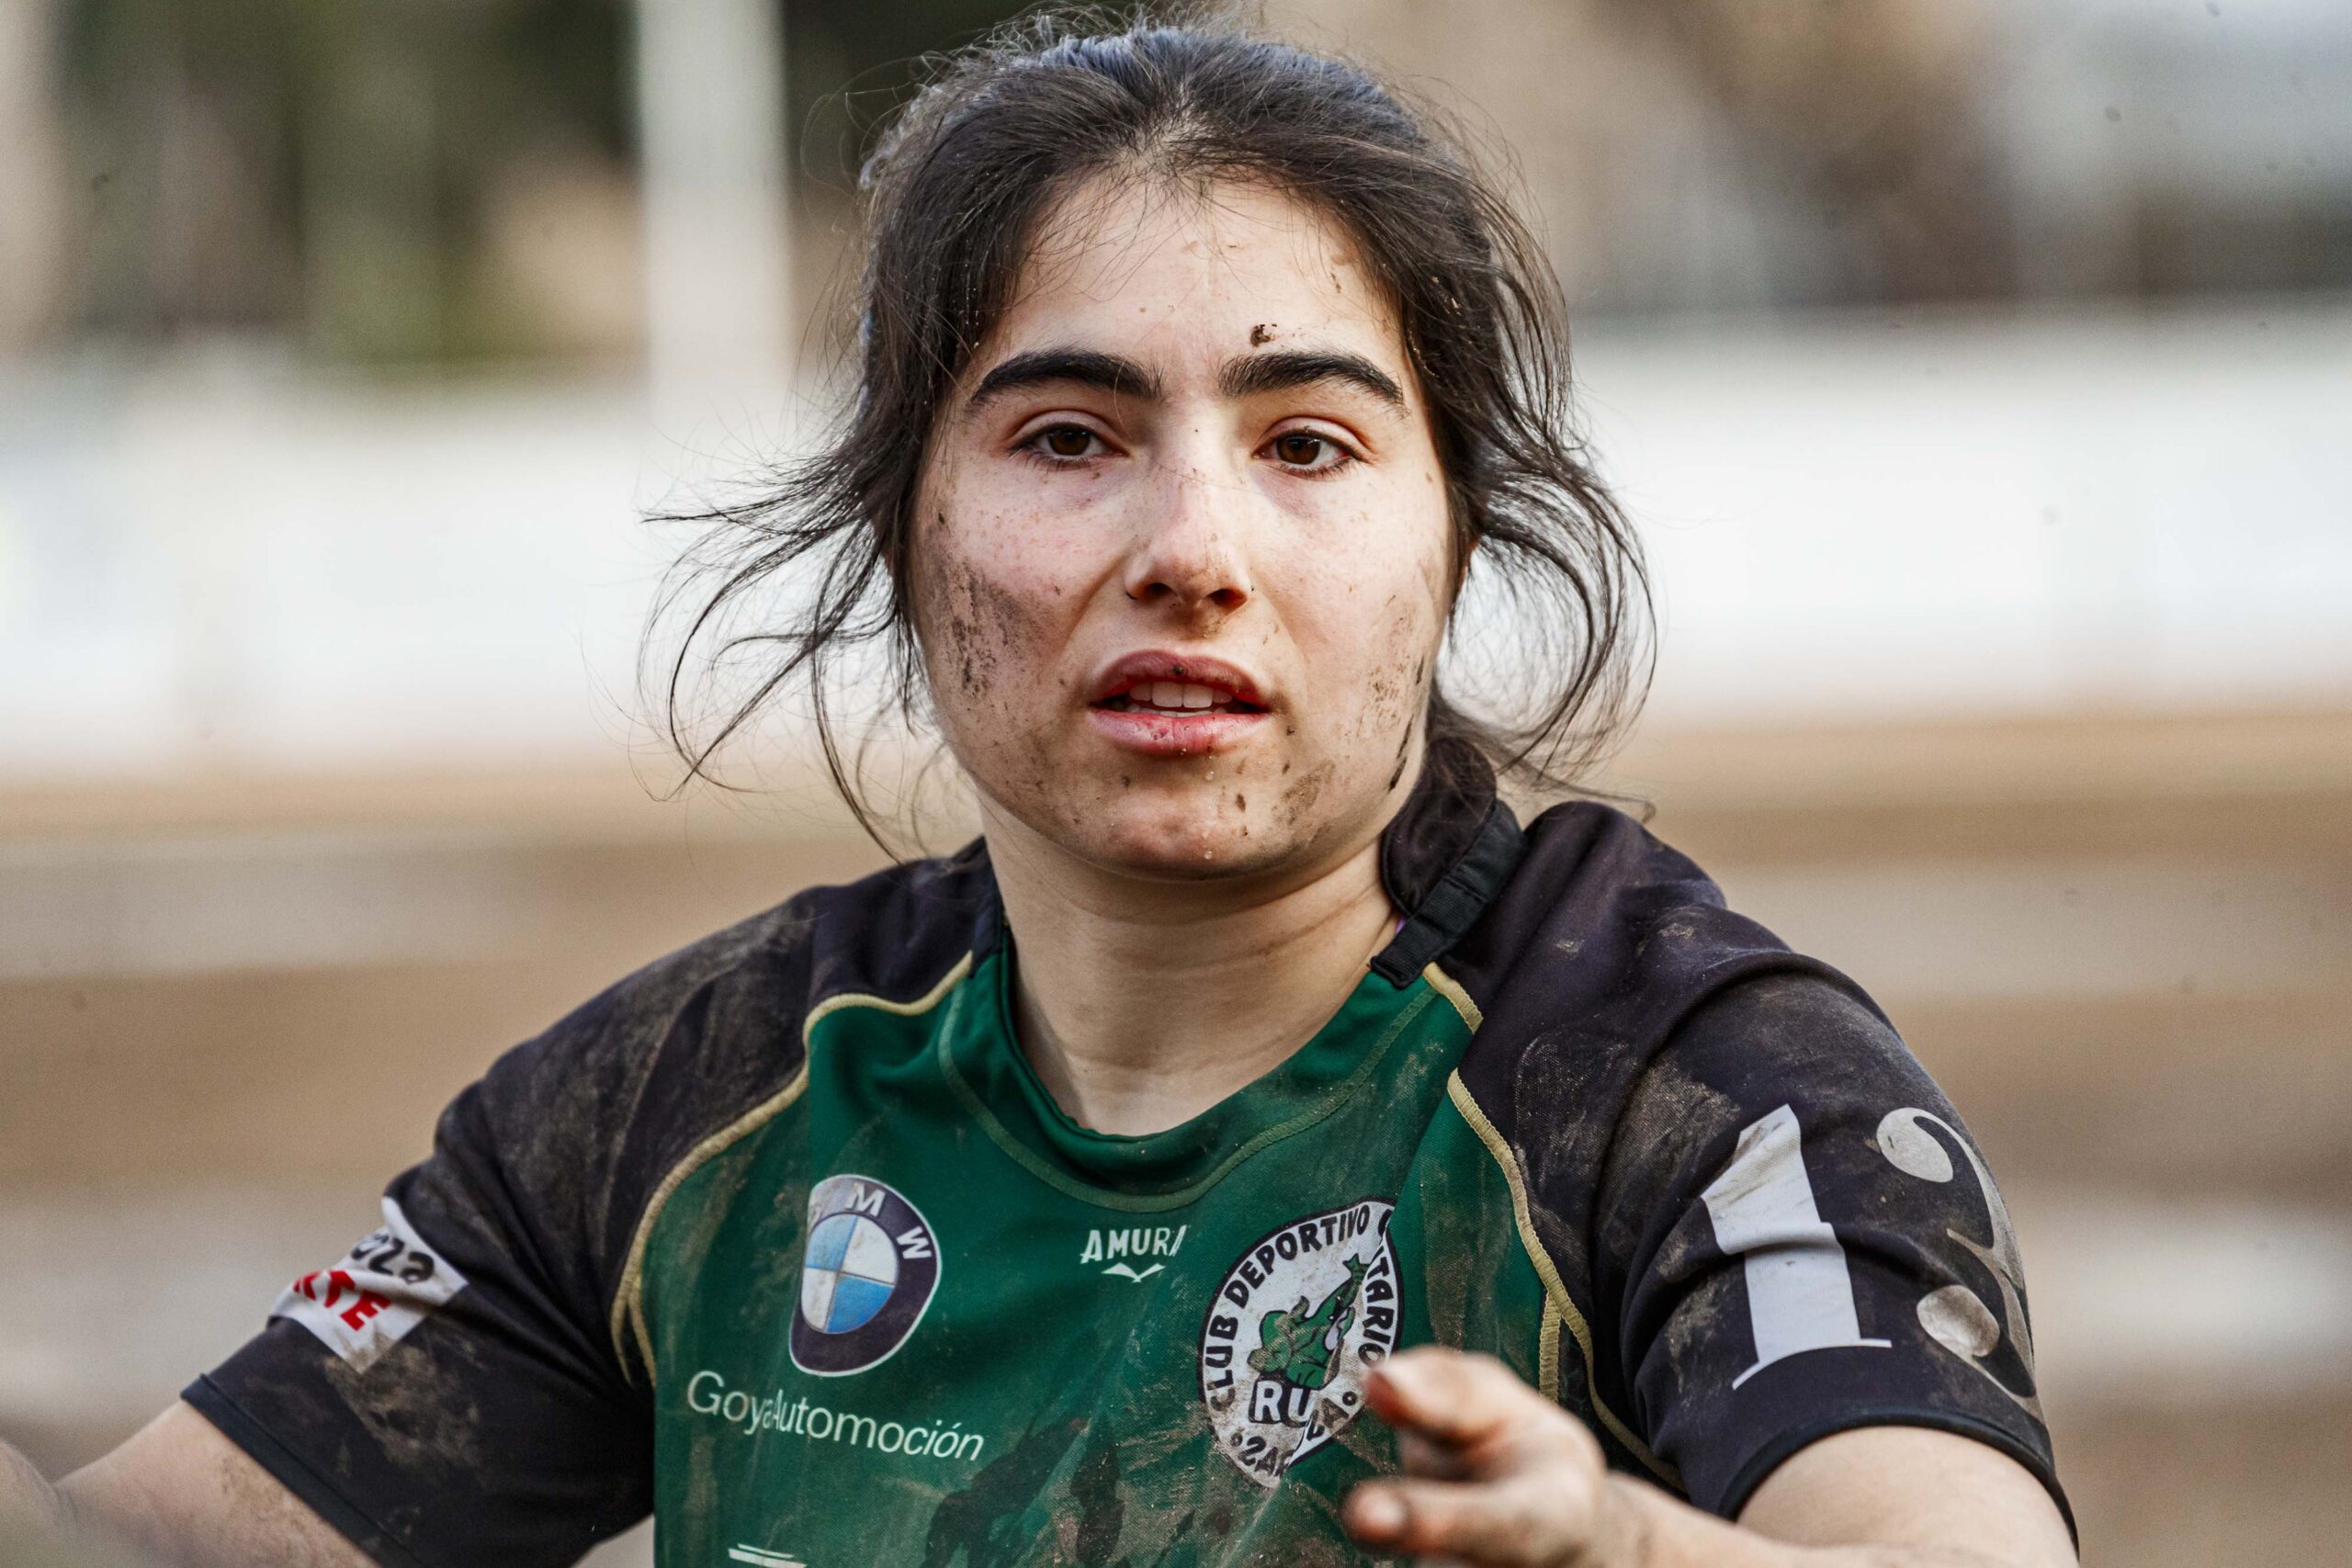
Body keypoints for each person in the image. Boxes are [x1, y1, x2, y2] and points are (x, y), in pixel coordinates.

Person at [3, 18, 2075, 1568]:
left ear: (1454, 537)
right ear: (900, 526)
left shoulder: (1679, 1081)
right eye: (1069, 435)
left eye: (1309, 444)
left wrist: (1619, 1545)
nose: (1190, 542)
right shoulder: (697, 1097)